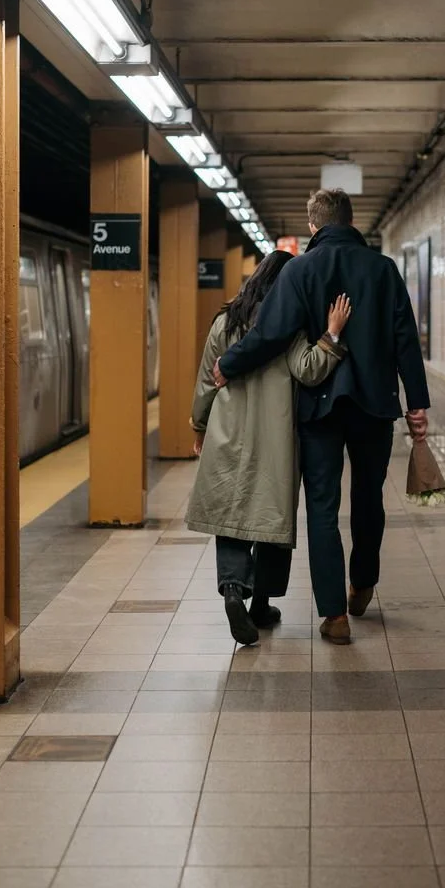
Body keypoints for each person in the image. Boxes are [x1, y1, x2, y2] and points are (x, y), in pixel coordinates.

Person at [215, 189, 430, 644]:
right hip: (375, 406)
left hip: (319, 407)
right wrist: (417, 403)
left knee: (322, 509)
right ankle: (363, 582)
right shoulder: (383, 270)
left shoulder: (300, 269)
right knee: (369, 499)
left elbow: (270, 334)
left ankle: (334, 616)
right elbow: (406, 340)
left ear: (312, 226)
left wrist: (227, 364)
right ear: (352, 221)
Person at [186, 249, 352, 646]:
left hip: (227, 434)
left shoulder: (225, 322)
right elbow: (310, 371)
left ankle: (232, 591)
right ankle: (260, 603)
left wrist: (199, 425)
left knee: (230, 517)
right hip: (274, 441)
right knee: (271, 522)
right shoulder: (291, 328)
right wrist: (332, 333)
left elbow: (207, 380)